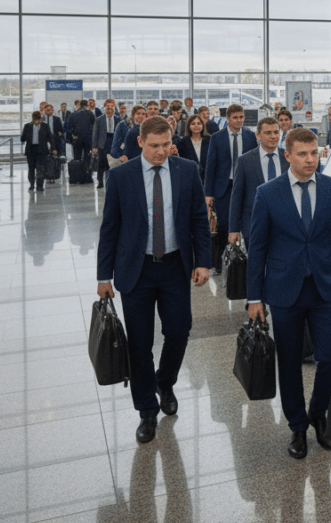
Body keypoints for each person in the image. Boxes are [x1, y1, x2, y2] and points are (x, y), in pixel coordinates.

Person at [96, 117, 211, 443]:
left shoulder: (187, 170)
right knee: (140, 343)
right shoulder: (120, 176)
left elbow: (199, 221)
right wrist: (103, 275)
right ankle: (147, 410)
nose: (161, 152)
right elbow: (109, 229)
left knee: (179, 330)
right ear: (140, 143)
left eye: (166, 145)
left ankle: (165, 381)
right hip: (136, 271)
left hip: (175, 267)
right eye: (154, 146)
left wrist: (203, 261)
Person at [246, 128, 331, 459]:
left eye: (315, 153)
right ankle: (297, 426)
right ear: (287, 155)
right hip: (283, 288)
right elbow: (258, 247)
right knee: (289, 360)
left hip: (324, 286)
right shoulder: (268, 192)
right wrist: (253, 296)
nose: (310, 160)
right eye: (302, 154)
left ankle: (318, 413)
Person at [205, 104, 257, 271]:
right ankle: (222, 260)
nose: (239, 120)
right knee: (225, 224)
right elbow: (211, 167)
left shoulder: (250, 136)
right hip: (224, 186)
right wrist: (208, 193)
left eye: (241, 117)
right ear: (227, 118)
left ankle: (246, 261)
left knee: (247, 222)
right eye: (235, 117)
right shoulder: (217, 137)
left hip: (245, 185)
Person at [229, 117, 287, 246]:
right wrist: (233, 229)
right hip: (253, 225)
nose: (273, 136)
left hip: (285, 225)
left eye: (276, 132)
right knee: (256, 264)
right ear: (258, 135)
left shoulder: (288, 158)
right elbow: (237, 196)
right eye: (268, 133)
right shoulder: (245, 161)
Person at [21, 111, 57, 192]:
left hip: (42, 150)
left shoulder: (45, 126)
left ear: (41, 118)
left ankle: (40, 186)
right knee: (31, 169)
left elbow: (50, 138)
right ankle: (32, 185)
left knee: (41, 168)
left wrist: (53, 148)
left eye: (39, 119)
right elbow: (22, 139)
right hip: (31, 150)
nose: (37, 121)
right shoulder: (27, 126)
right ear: (33, 119)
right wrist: (27, 135)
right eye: (36, 119)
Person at [91, 99, 121, 189]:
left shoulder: (118, 119)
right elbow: (95, 133)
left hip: (114, 142)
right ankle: (100, 182)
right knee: (101, 163)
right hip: (103, 143)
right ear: (105, 108)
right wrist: (94, 146)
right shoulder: (99, 119)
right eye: (108, 107)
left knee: (113, 163)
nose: (110, 109)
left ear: (114, 108)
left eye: (112, 107)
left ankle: (112, 182)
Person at [66, 100, 96, 184]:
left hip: (77, 139)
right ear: (86, 105)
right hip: (88, 139)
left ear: (79, 105)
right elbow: (95, 126)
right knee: (88, 158)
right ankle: (87, 177)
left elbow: (68, 128)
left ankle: (77, 177)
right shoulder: (90, 113)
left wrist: (72, 138)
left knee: (77, 158)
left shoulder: (72, 114)